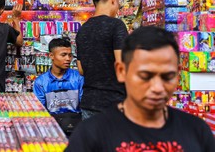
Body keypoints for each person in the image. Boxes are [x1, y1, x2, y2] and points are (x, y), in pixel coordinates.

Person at [66, 26, 215, 151]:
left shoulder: (197, 131)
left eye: (167, 76)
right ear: (121, 71)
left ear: (178, 73)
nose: (157, 88)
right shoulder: (91, 135)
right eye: (145, 76)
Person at [75, 0, 128, 120]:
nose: (117, 8)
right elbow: (122, 64)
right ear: (113, 0)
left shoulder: (83, 30)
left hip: (88, 103)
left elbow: (81, 69)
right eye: (118, 3)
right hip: (114, 104)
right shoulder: (116, 25)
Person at [33, 38, 83, 136]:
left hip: (76, 128)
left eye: (70, 55)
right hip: (51, 129)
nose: (68, 59)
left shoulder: (78, 78)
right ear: (51, 56)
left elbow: (84, 106)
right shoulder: (41, 82)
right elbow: (40, 111)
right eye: (63, 55)